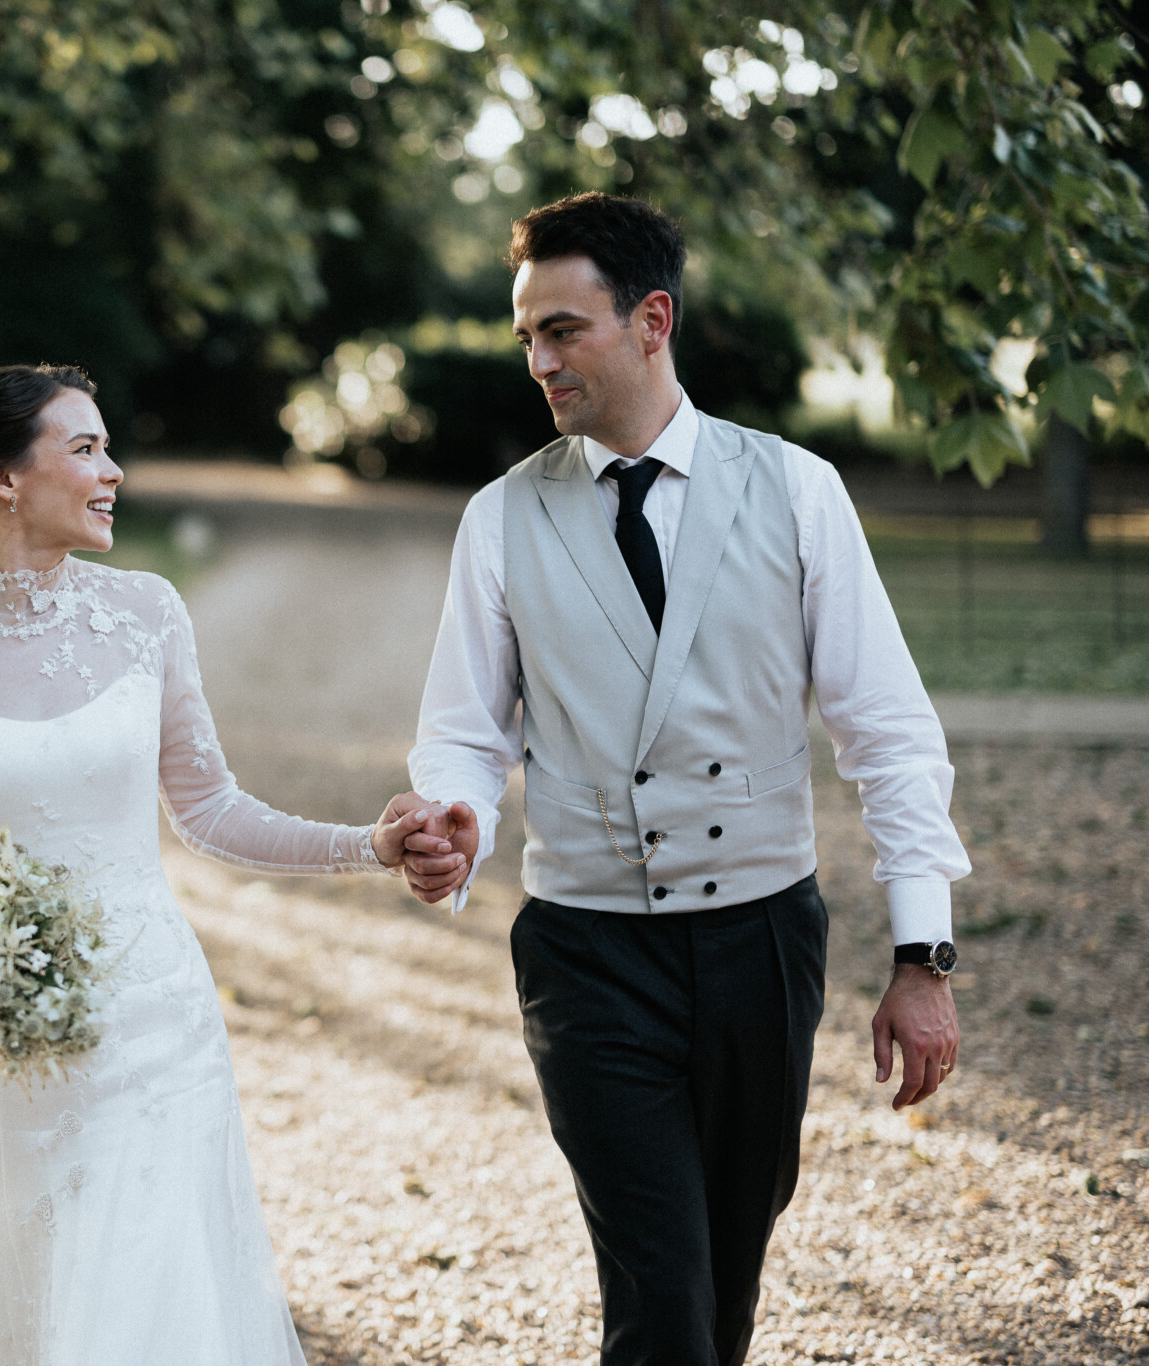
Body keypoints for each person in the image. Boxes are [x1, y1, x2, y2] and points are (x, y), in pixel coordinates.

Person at [398, 193, 970, 1366]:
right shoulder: (498, 518)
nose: (538, 361)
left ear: (650, 320)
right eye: (526, 337)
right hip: (587, 950)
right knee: (659, 1295)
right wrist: (454, 817)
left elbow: (885, 731)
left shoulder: (797, 488)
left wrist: (921, 953)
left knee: (721, 1281)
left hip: (761, 941)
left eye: (563, 331)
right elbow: (463, 732)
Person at [0, 363, 438, 1365]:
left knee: (151, 1303)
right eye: (85, 449)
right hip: (7, 1038)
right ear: (1, 477)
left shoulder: (146, 612)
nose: (113, 471)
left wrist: (367, 846)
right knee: (30, 1297)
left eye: (108, 448)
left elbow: (208, 809)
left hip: (156, 1020)